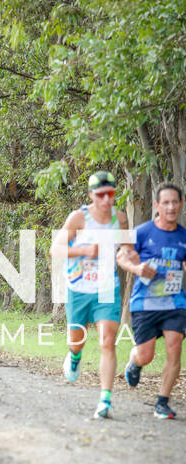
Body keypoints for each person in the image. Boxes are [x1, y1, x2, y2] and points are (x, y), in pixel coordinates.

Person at [50, 171, 128, 419]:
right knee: (76, 341)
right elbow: (55, 249)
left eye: (110, 194)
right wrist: (84, 250)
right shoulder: (78, 218)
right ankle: (75, 356)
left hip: (106, 288)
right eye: (101, 194)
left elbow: (126, 250)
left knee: (107, 340)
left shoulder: (120, 219)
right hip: (79, 288)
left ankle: (105, 400)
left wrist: (130, 259)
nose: (106, 199)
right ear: (91, 195)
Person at [117, 183, 186, 419]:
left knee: (174, 346)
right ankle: (135, 362)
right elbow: (121, 257)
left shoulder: (183, 236)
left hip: (175, 303)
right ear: (157, 205)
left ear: (181, 204)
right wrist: (136, 268)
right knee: (146, 355)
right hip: (145, 303)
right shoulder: (143, 232)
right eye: (165, 203)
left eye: (174, 202)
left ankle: (162, 402)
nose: (170, 207)